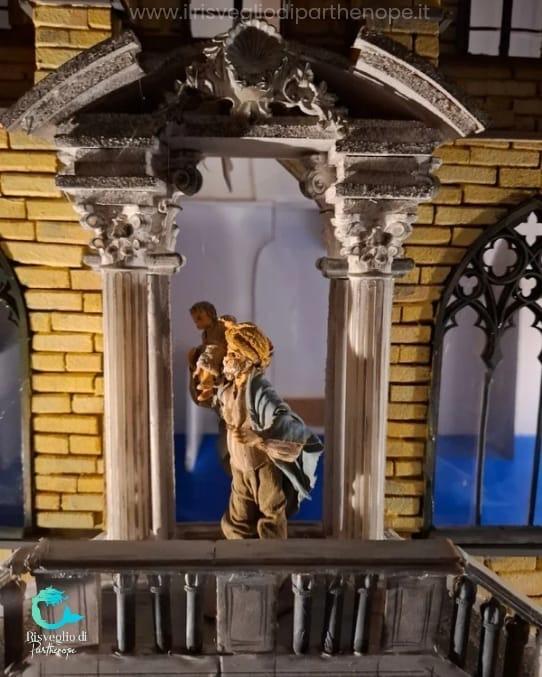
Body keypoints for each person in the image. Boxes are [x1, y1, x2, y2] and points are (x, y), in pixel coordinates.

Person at [216, 321, 323, 539]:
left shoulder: (261, 392)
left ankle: (272, 556)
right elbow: (210, 397)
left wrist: (257, 438)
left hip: (263, 468)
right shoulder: (228, 389)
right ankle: (239, 556)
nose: (227, 358)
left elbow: (286, 423)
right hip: (240, 468)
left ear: (247, 360)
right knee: (238, 518)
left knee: (271, 514)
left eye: (234, 354)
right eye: (229, 352)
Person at [188, 301, 235, 402]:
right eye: (195, 321)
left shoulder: (220, 325)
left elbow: (231, 326)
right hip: (211, 353)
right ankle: (206, 386)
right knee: (199, 353)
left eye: (199, 318)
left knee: (207, 355)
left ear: (210, 314)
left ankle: (208, 384)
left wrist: (229, 323)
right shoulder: (204, 334)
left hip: (221, 350)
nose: (197, 323)